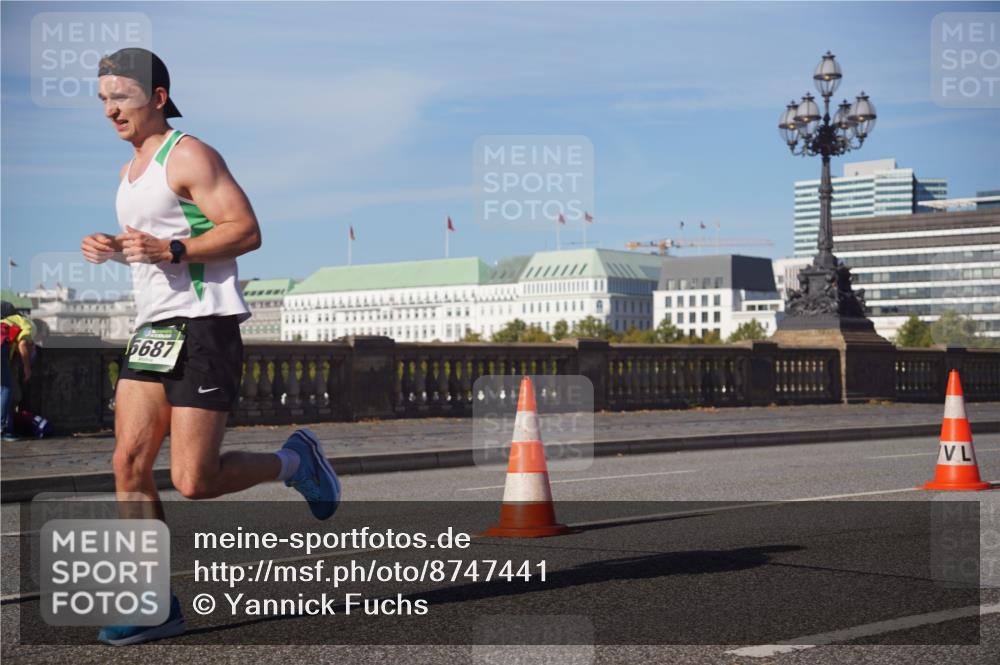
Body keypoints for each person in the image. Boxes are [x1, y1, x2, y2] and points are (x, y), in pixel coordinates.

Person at [80, 48, 340, 646]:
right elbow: (159, 241)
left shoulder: (188, 153)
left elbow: (244, 230)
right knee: (128, 463)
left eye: (120, 96)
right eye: (103, 99)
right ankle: (150, 603)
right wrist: (115, 247)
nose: (110, 109)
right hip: (153, 329)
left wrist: (170, 252)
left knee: (194, 480)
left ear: (158, 97)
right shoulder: (130, 172)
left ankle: (297, 461)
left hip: (203, 327)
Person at [1, 301, 34, 442]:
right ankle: (1, 428)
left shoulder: (3, 321)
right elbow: (23, 343)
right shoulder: (24, 322)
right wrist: (27, 366)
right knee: (6, 389)